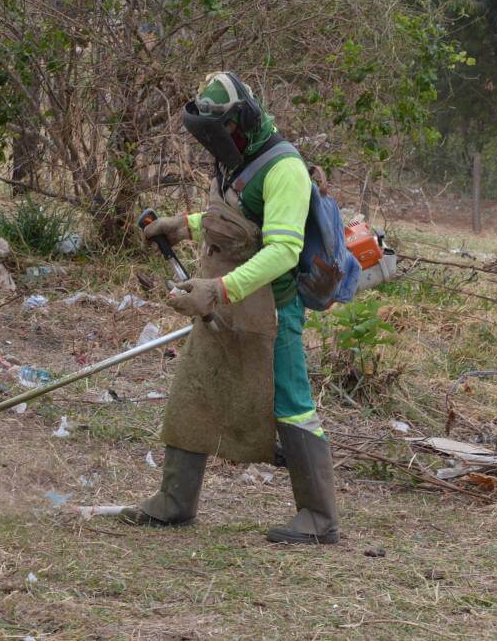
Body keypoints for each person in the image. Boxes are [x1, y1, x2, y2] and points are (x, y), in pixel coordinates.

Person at [119, 72, 339, 545]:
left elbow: (281, 250)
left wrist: (217, 290)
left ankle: (319, 517)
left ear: (242, 121)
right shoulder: (241, 159)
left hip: (271, 310)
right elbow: (235, 220)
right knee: (194, 387)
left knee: (290, 404)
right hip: (226, 297)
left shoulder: (284, 169)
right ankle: (175, 503)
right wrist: (185, 224)